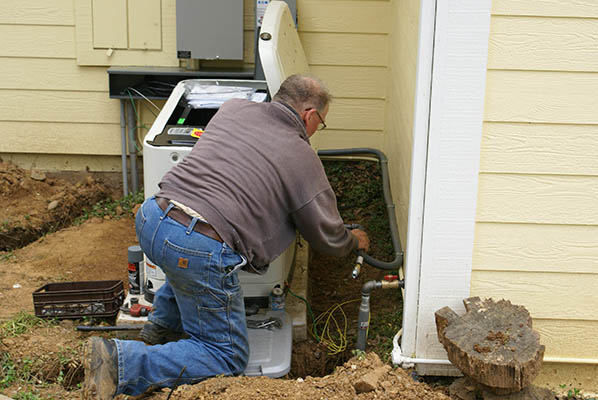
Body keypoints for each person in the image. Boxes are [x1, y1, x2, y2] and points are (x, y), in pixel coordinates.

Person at [82, 74, 370, 399]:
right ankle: (122, 364)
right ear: (309, 114)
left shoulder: (233, 109)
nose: (317, 130)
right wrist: (353, 239)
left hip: (153, 218)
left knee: (185, 268)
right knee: (226, 356)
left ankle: (158, 332)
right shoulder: (301, 155)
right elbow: (326, 236)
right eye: (322, 123)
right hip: (198, 244)